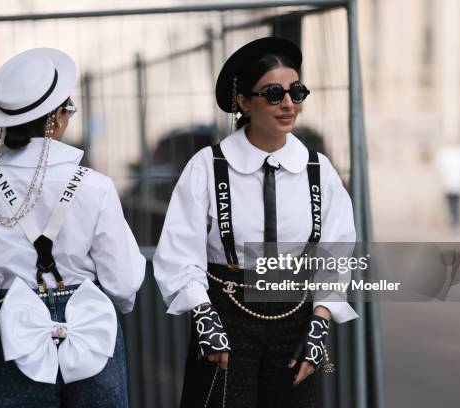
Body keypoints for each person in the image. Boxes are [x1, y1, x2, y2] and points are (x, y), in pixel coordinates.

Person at [153, 37, 358, 407]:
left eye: (296, 91)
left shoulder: (318, 170)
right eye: (274, 93)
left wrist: (321, 319)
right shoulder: (207, 167)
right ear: (244, 102)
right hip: (225, 318)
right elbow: (179, 251)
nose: (288, 103)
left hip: (297, 320)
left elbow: (336, 252)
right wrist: (204, 318)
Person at [0, 48, 145, 407]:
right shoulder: (95, 185)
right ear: (56, 116)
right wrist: (108, 307)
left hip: (14, 333)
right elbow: (125, 281)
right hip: (91, 329)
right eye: (69, 108)